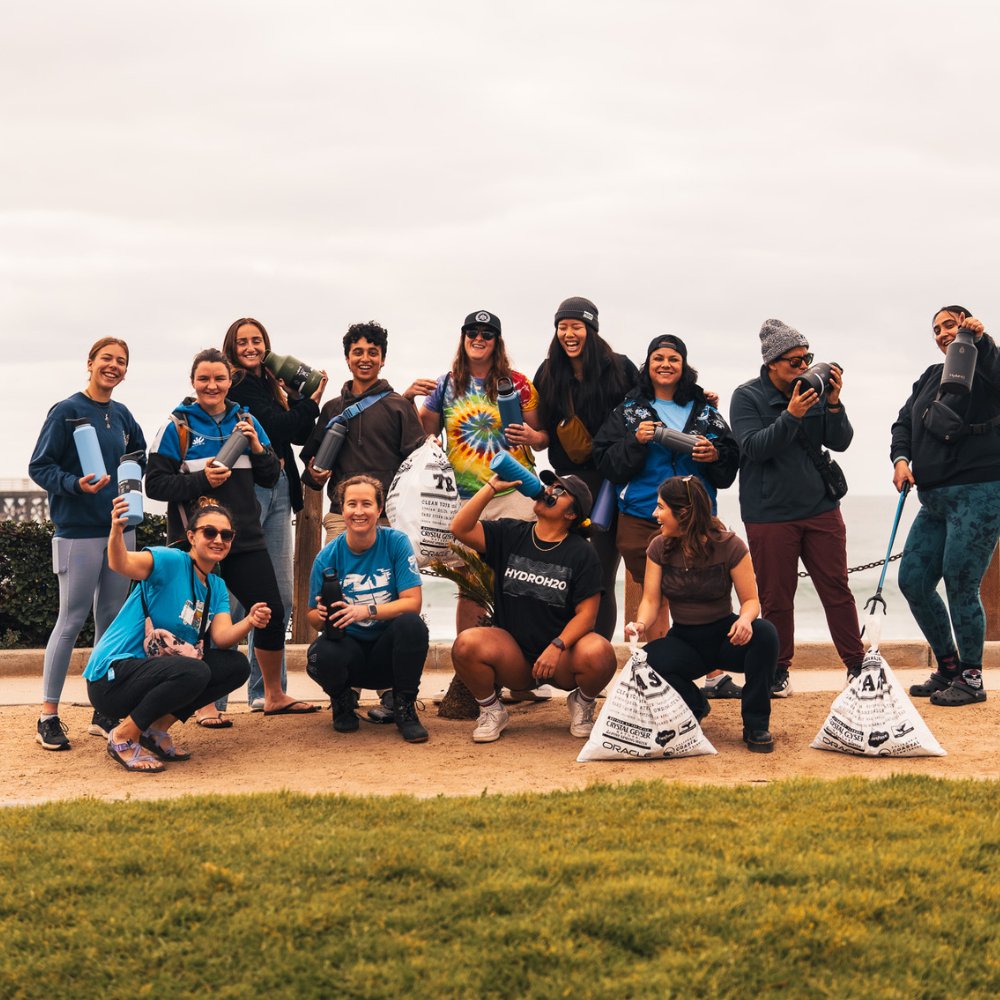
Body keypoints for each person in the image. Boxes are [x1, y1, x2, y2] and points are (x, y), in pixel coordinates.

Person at [146, 348, 317, 720]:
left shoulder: (246, 419)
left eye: (219, 378)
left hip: (244, 538)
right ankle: (204, 703)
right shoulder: (177, 426)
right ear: (193, 382)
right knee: (199, 621)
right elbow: (155, 485)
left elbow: (271, 476)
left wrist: (256, 446)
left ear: (229, 381)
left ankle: (273, 694)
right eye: (204, 378)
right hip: (195, 545)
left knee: (270, 611)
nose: (212, 385)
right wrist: (201, 480)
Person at [729, 318, 864, 697]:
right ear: (772, 363)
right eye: (794, 361)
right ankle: (778, 670)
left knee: (837, 589)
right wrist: (792, 415)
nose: (804, 367)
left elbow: (841, 442)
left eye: (808, 358)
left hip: (821, 508)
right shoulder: (747, 397)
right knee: (775, 596)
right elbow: (754, 448)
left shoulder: (814, 392)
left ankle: (856, 665)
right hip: (769, 513)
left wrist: (834, 404)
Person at [593, 333, 739, 676]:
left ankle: (712, 674)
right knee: (654, 596)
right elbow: (605, 461)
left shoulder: (706, 412)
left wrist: (714, 454)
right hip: (644, 517)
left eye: (673, 359)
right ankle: (662, 672)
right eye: (658, 358)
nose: (666, 364)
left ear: (684, 367)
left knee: (704, 594)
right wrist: (636, 441)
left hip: (698, 520)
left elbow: (730, 466)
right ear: (648, 365)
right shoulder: (628, 411)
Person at [301, 321, 425, 723]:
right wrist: (315, 476)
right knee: (340, 595)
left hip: (388, 514)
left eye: (372, 352)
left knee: (397, 598)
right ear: (347, 358)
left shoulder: (397, 406)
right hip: (341, 514)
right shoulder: (332, 409)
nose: (365, 358)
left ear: (382, 358)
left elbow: (417, 463)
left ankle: (393, 692)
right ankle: (346, 687)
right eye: (358, 352)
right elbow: (312, 464)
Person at [28, 337, 147, 751]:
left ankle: (103, 710)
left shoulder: (122, 414)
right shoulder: (66, 412)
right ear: (90, 363)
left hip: (120, 529)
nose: (113, 366)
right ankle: (48, 715)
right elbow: (40, 466)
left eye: (121, 361)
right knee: (71, 620)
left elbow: (139, 452)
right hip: (78, 532)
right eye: (107, 359)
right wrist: (74, 484)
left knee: (112, 622)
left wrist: (131, 477)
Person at [84, 496, 259, 773]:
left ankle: (155, 729)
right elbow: (121, 563)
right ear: (191, 536)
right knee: (195, 671)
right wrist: (116, 531)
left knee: (235, 666)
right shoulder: (169, 561)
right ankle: (123, 735)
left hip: (158, 672)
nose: (218, 540)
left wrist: (249, 621)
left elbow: (223, 637)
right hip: (111, 679)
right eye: (209, 532)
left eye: (226, 535)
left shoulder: (216, 586)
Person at [450, 469, 617, 743]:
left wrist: (557, 646)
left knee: (600, 652)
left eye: (560, 491)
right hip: (514, 658)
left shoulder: (582, 552)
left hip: (561, 661)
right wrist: (491, 486)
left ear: (572, 514)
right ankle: (492, 710)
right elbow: (461, 528)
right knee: (466, 644)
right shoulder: (511, 533)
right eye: (550, 485)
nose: (550, 490)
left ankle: (583, 702)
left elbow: (587, 616)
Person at [509, 296, 639, 641]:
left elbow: (648, 406)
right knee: (562, 572)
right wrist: (534, 435)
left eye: (576, 326)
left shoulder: (620, 368)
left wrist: (699, 397)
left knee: (599, 575)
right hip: (568, 485)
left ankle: (594, 657)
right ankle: (563, 651)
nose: (569, 333)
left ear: (591, 330)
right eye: (562, 326)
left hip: (613, 483)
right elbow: (545, 435)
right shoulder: (549, 371)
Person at [891, 306, 1000, 706]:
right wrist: (900, 460)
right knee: (914, 581)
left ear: (967, 325)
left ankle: (972, 678)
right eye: (936, 328)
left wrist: (982, 341)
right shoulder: (930, 377)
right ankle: (949, 667)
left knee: (960, 583)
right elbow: (903, 423)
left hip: (979, 492)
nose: (942, 333)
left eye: (950, 325)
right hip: (932, 498)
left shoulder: (987, 367)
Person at [411, 309, 542, 633]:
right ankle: (470, 672)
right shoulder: (446, 385)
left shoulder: (520, 383)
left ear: (497, 341)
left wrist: (533, 436)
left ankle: (524, 666)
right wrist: (408, 397)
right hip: (466, 499)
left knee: (519, 581)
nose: (478, 339)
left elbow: (542, 438)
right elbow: (422, 435)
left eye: (486, 334)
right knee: (469, 584)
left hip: (515, 493)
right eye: (472, 333)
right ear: (463, 338)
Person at [220, 316, 327, 712]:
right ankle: (215, 696)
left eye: (257, 340)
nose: (251, 347)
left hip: (280, 486)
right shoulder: (238, 385)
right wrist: (310, 400)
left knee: (278, 595)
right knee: (234, 597)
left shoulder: (267, 383)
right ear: (231, 347)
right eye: (243, 341)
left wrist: (299, 397)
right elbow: (279, 424)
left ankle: (266, 692)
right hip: (250, 489)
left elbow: (294, 435)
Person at [626, 476, 778, 753]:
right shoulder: (658, 547)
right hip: (685, 641)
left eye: (661, 507)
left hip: (726, 637)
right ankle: (695, 705)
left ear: (683, 513)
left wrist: (745, 620)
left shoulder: (730, 546)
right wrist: (640, 623)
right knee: (646, 660)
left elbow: (751, 601)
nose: (654, 514)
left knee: (766, 634)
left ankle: (756, 725)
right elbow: (650, 599)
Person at [305, 475, 430, 743]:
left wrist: (365, 611)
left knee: (412, 625)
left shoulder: (396, 542)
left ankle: (404, 706)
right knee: (320, 653)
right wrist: (321, 616)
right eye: (351, 504)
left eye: (366, 504)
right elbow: (312, 618)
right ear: (342, 508)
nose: (359, 512)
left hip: (388, 655)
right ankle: (342, 700)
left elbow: (413, 603)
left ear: (379, 509)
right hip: (351, 655)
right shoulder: (327, 556)